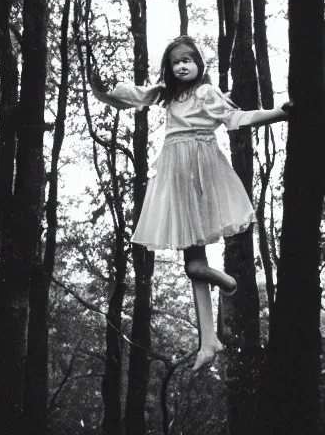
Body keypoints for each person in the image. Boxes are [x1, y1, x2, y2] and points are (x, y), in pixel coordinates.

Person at [91, 35, 292, 371]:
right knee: (193, 265)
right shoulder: (168, 95)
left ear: (199, 64)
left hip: (201, 170)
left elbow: (236, 118)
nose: (181, 66)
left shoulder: (206, 92)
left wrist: (278, 114)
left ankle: (226, 285)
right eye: (175, 62)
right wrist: (105, 86)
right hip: (174, 175)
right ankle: (209, 340)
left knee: (195, 266)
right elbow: (133, 95)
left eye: (187, 60)